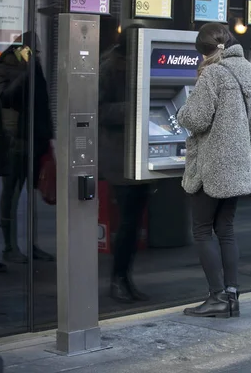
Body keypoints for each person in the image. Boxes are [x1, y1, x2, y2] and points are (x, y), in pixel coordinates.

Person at [178, 23, 251, 318]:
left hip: (211, 166)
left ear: (204, 52)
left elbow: (196, 119)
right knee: (226, 230)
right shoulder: (249, 70)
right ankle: (232, 296)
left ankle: (216, 297)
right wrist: (237, 136)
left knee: (203, 230)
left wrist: (182, 109)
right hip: (239, 164)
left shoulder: (213, 74)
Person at [98, 24, 151, 303]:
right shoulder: (109, 67)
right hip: (119, 154)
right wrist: (134, 106)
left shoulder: (137, 63)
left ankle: (124, 277)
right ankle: (119, 279)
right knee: (128, 223)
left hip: (137, 152)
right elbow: (96, 109)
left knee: (132, 222)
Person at [0, 32, 54, 263]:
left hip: (36, 138)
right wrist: (25, 74)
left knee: (31, 195)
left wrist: (48, 135)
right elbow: (4, 99)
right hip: (16, 140)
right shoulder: (5, 68)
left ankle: (32, 243)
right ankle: (10, 246)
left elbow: (42, 103)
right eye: (31, 50)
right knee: (12, 193)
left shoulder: (35, 68)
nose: (34, 54)